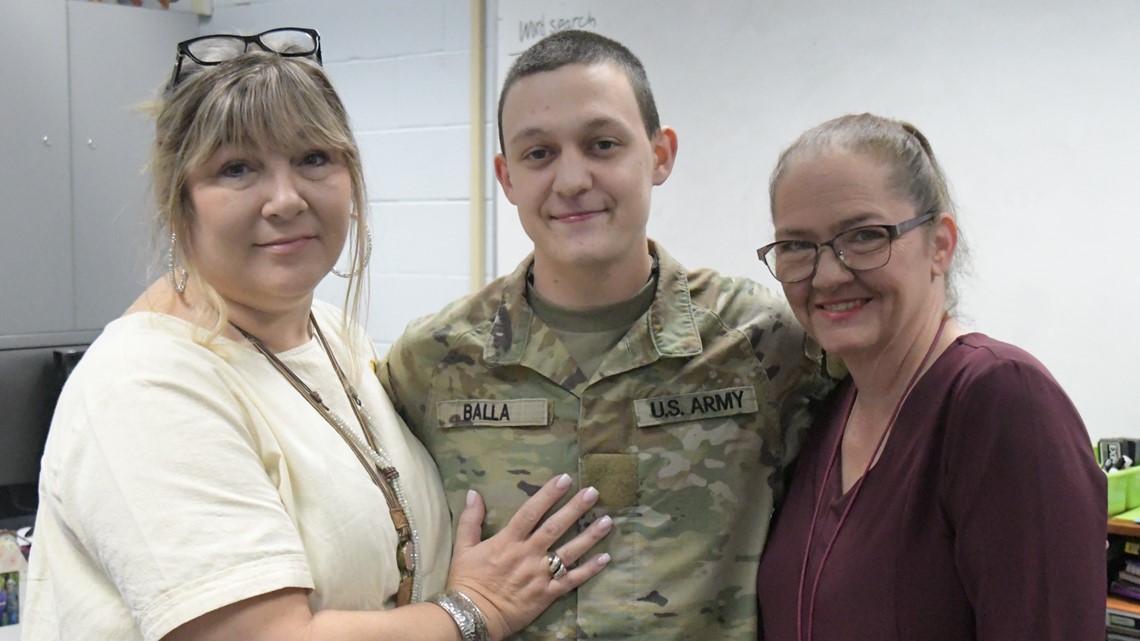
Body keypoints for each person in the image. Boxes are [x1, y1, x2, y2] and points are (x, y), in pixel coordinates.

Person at [22, 28, 613, 641]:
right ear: (181, 203)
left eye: (313, 159)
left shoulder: (332, 335)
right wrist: (475, 610)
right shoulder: (145, 384)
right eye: (237, 169)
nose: (285, 200)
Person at [378, 30, 832, 640]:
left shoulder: (764, 342)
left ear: (660, 154)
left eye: (602, 144)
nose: (571, 180)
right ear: (506, 176)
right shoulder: (432, 361)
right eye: (538, 154)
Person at [754, 113, 1106, 640]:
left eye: (865, 236)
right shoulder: (828, 409)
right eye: (796, 246)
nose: (826, 274)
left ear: (939, 244)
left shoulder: (1001, 401)